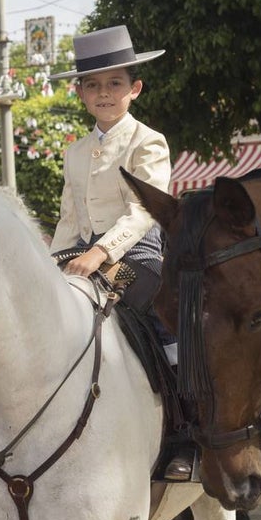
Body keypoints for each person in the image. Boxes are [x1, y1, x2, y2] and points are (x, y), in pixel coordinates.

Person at [48, 25, 190, 480]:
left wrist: (102, 254)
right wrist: (51, 267)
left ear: (135, 88)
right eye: (93, 85)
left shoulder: (148, 141)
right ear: (81, 93)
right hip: (82, 258)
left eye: (114, 83)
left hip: (138, 257)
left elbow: (142, 213)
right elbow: (69, 220)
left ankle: (186, 428)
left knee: (156, 318)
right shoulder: (74, 152)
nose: (103, 93)